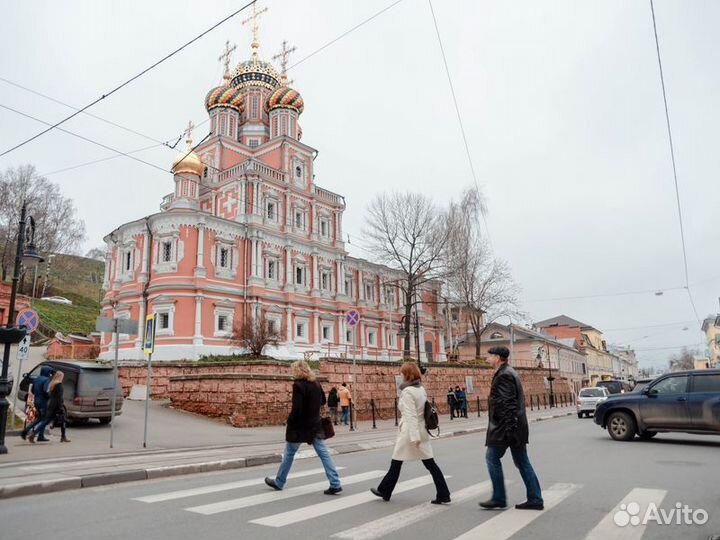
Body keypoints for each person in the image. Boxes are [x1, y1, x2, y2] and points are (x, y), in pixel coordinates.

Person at [371, 362, 451, 504]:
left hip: (410, 432)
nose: (400, 375)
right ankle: (443, 493)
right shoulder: (420, 389)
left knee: (396, 462)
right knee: (430, 464)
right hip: (421, 429)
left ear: (407, 374)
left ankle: (385, 490)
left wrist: (415, 437)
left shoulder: (407, 392)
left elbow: (411, 415)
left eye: (402, 372)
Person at [479, 346, 544, 511]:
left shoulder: (504, 375)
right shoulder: (508, 372)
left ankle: (499, 497)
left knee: (492, 458)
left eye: (490, 356)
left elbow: (508, 405)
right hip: (512, 427)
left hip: (505, 429)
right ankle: (535, 498)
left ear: (498, 358)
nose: (488, 359)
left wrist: (509, 431)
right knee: (522, 462)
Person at [265, 360, 342, 495]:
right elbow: (323, 401)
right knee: (324, 454)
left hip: (300, 427)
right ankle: (335, 483)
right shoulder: (316, 384)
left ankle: (279, 481)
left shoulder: (298, 385)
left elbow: (297, 409)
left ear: (297, 371)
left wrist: (290, 421)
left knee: (289, 453)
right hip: (315, 425)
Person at [29, 371, 70, 443]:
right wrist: (60, 407)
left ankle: (63, 437)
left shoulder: (52, 384)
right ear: (60, 377)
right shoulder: (59, 385)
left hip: (51, 405)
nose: (63, 378)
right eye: (62, 376)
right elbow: (59, 397)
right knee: (61, 420)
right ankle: (33, 435)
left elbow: (49, 394)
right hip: (57, 405)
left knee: (48, 421)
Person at [21, 366, 54, 442]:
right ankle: (38, 435)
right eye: (49, 373)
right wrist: (49, 396)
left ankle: (29, 431)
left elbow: (32, 390)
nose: (50, 374)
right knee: (44, 419)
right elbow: (46, 391)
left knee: (40, 418)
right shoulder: (46, 380)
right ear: (47, 373)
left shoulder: (36, 379)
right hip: (43, 402)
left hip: (36, 401)